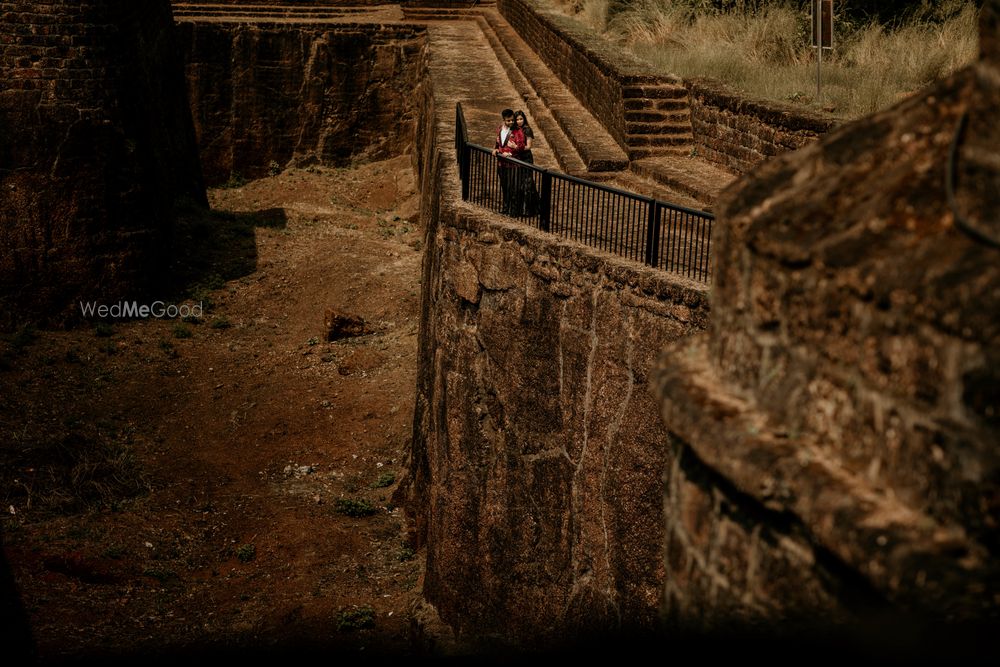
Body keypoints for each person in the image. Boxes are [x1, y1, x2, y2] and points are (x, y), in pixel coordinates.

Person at [492, 108, 524, 215]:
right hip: (502, 163)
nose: (511, 122)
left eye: (512, 120)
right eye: (508, 120)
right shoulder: (500, 129)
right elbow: (498, 142)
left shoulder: (518, 131)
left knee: (513, 188)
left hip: (513, 164)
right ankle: (506, 207)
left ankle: (514, 210)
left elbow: (521, 146)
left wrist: (512, 152)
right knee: (505, 186)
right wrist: (495, 149)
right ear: (504, 120)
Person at [512, 110, 539, 217]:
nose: (519, 121)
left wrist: (516, 147)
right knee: (519, 183)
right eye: (517, 119)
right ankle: (521, 208)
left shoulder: (527, 130)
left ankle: (529, 209)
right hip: (517, 157)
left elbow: (528, 147)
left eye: (521, 119)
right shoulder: (514, 129)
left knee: (527, 184)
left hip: (526, 158)